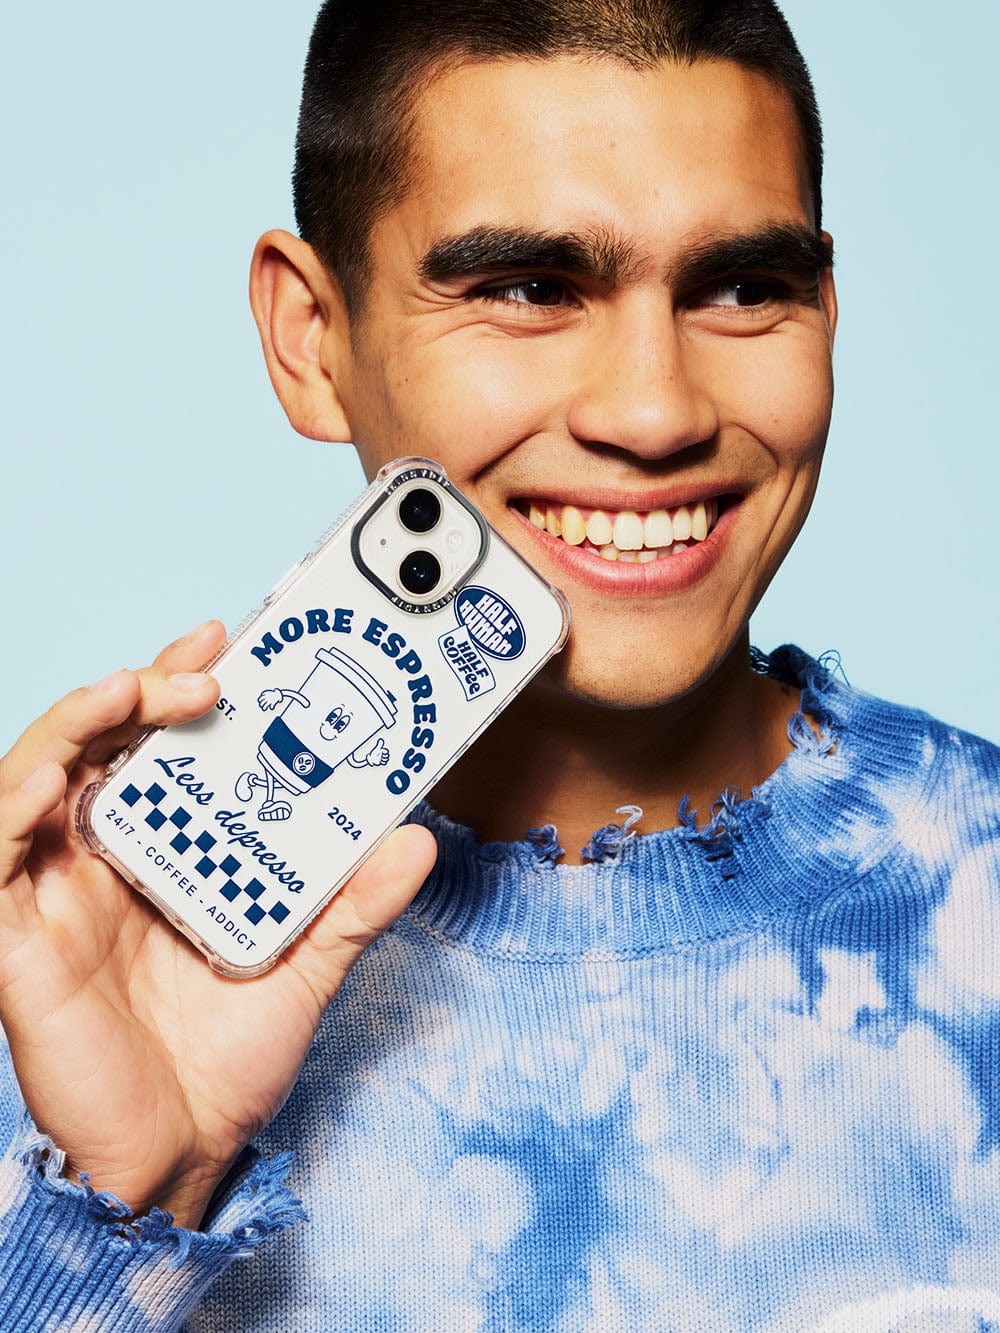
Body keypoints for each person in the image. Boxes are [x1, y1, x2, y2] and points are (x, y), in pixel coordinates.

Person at [1, 0, 998, 1328]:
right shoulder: (66, 979)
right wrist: (126, 1202)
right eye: (528, 290)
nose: (655, 412)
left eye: (742, 288)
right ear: (312, 337)